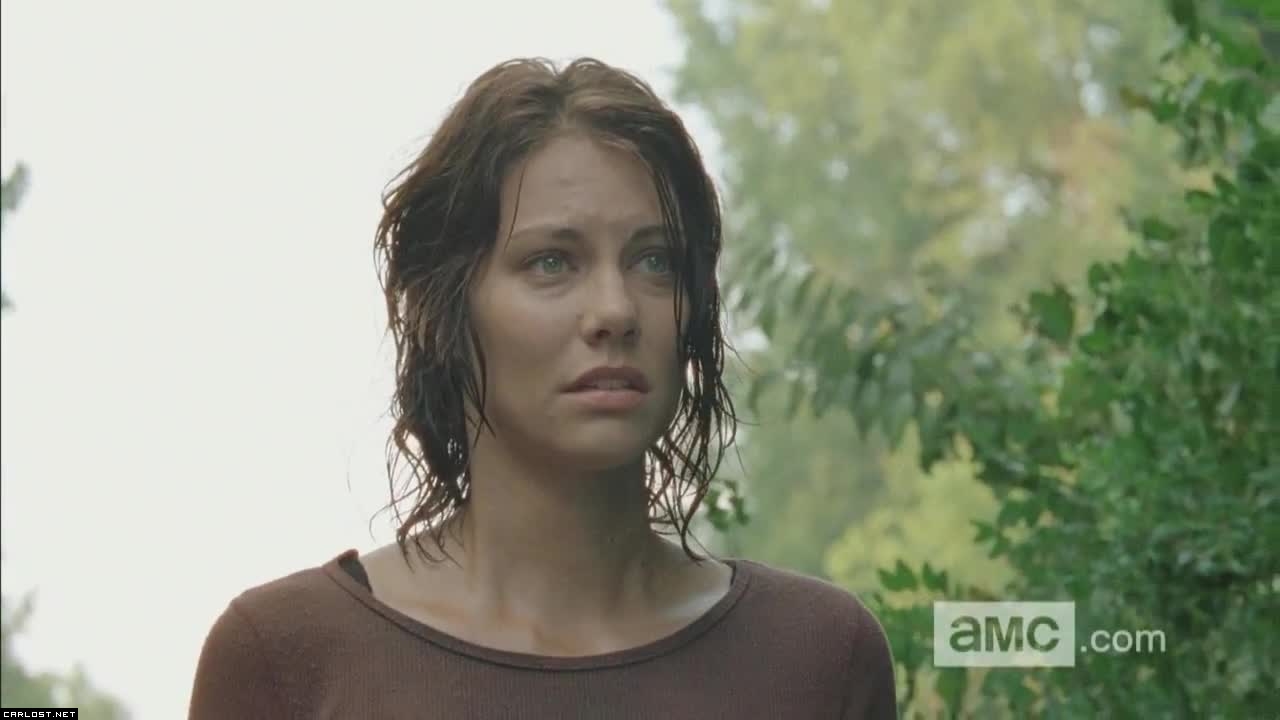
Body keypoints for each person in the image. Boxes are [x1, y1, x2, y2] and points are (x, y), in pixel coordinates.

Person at [188, 56, 897, 719]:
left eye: (654, 261)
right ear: (437, 307)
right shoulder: (287, 657)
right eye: (552, 262)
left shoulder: (816, 655)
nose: (616, 310)